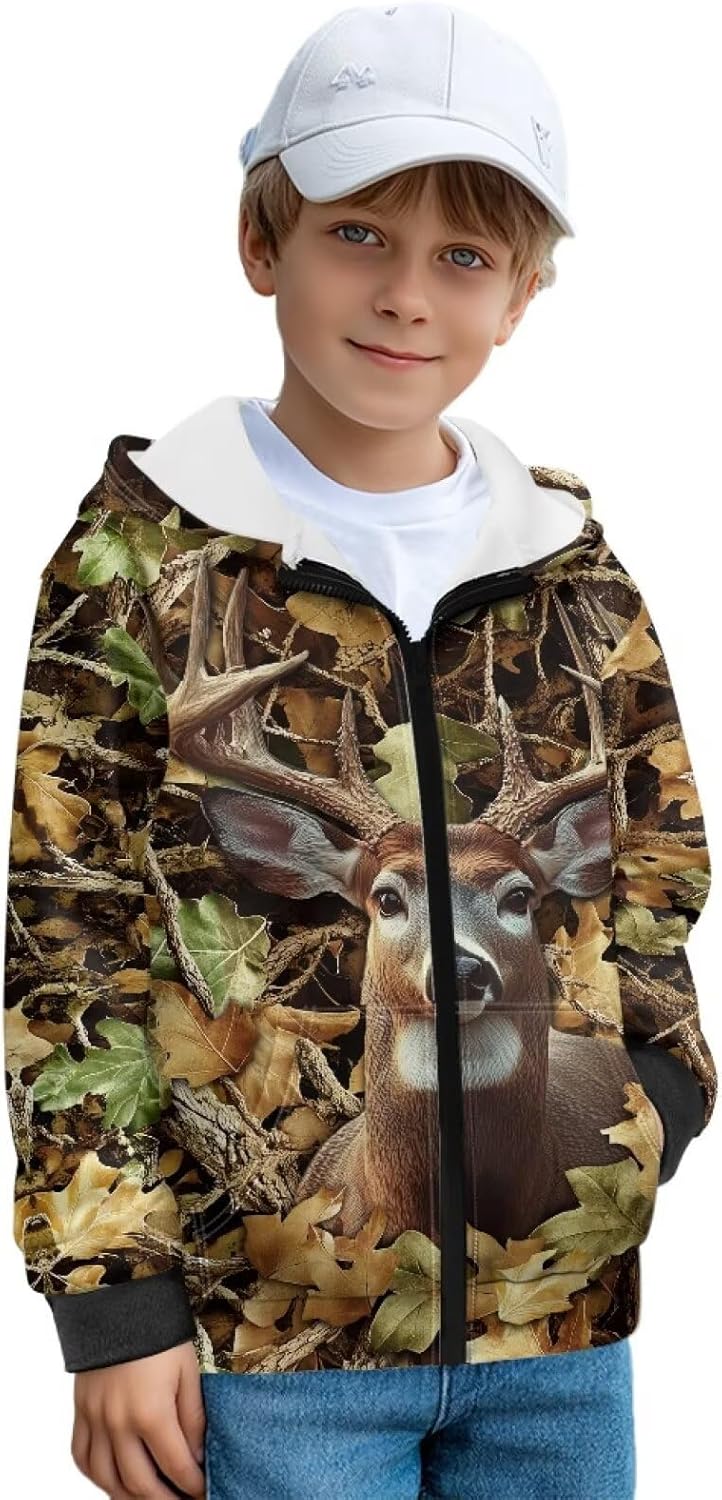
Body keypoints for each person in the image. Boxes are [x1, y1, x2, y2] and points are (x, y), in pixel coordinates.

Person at [3, 5, 716, 1499]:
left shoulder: (571, 566)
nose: (404, 295)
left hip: (561, 1340)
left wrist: (651, 1104)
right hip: (268, 1344)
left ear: (520, 296)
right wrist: (114, 1302)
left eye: (463, 256)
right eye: (357, 235)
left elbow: (654, 869)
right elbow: (65, 931)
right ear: (260, 242)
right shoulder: (140, 561)